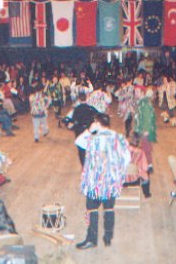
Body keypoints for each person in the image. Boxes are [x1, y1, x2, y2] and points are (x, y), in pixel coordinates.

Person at [75, 113, 131, 249]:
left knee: (92, 209)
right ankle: (108, 237)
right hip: (111, 182)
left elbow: (78, 141)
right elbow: (127, 157)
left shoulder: (92, 137)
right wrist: (117, 172)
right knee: (109, 208)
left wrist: (89, 130)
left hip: (95, 183)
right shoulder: (119, 137)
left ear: (97, 123)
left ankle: (91, 239)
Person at [67, 92, 98, 167]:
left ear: (79, 99)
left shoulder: (76, 109)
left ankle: (83, 165)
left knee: (81, 149)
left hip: (79, 130)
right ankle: (92, 163)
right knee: (91, 147)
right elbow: (97, 117)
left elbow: (73, 120)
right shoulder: (91, 108)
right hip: (90, 130)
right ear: (86, 98)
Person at [134, 88, 156, 173]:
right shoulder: (142, 102)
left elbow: (147, 118)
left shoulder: (145, 103)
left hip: (144, 130)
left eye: (137, 91)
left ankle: (149, 167)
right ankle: (144, 165)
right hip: (140, 129)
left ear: (142, 93)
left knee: (146, 149)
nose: (135, 93)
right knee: (143, 148)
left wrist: (146, 131)